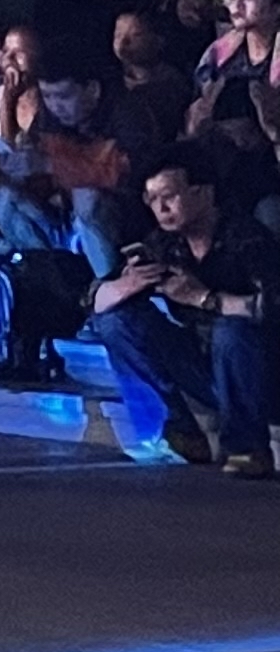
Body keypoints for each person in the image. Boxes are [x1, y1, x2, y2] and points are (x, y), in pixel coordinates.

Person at [90, 154, 275, 473]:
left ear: (203, 193)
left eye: (169, 196)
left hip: (262, 372)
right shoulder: (164, 244)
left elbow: (272, 306)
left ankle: (248, 448)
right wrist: (127, 284)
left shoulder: (247, 238)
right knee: (115, 322)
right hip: (204, 368)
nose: (161, 208)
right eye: (152, 199)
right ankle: (181, 431)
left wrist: (203, 298)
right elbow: (93, 300)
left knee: (231, 331)